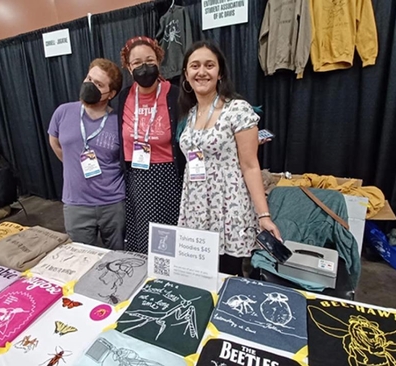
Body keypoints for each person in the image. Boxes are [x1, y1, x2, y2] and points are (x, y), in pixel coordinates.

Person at [177, 40, 282, 276]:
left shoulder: (238, 110)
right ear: (186, 73)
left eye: (209, 65)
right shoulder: (190, 113)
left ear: (220, 72)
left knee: (226, 277)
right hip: (195, 207)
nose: (201, 72)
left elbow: (250, 166)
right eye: (194, 66)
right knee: (197, 275)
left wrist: (263, 216)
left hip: (228, 208)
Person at [48, 58, 125, 250]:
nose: (90, 86)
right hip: (76, 204)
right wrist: (72, 166)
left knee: (116, 257)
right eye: (89, 79)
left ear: (111, 93)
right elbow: (55, 142)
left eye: (98, 84)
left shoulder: (119, 121)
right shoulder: (63, 112)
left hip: (112, 203)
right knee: (81, 258)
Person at [117, 36, 185, 253]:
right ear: (128, 67)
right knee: (143, 234)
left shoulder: (175, 93)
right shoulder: (124, 97)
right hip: (138, 174)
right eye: (136, 63)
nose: (143, 67)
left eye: (149, 60)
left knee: (169, 235)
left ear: (159, 61)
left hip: (170, 176)